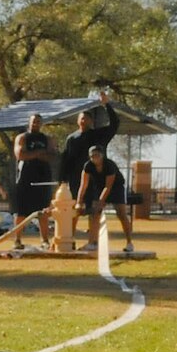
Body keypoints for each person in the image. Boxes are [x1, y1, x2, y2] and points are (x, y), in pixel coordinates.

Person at [57, 91, 120, 250]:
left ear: (91, 121)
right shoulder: (72, 138)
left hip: (96, 181)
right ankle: (69, 241)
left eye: (87, 117)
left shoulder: (99, 135)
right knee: (75, 211)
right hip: (76, 181)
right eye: (81, 117)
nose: (84, 120)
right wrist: (62, 180)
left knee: (94, 212)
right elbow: (66, 160)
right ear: (78, 121)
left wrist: (107, 104)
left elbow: (114, 124)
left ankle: (93, 242)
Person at [76, 145, 136, 254]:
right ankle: (93, 243)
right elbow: (83, 185)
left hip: (116, 188)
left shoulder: (109, 165)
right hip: (99, 187)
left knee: (121, 214)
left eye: (97, 155)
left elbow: (108, 187)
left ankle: (129, 242)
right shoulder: (88, 166)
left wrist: (100, 202)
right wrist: (79, 202)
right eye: (92, 156)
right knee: (94, 214)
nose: (95, 158)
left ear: (102, 155)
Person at [12, 112, 56, 250]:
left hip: (43, 178)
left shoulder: (46, 139)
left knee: (43, 211)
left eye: (38, 121)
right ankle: (17, 240)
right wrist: (38, 153)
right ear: (29, 122)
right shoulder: (22, 137)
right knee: (21, 212)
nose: (35, 123)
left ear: (41, 124)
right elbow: (20, 155)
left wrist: (35, 154)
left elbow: (52, 155)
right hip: (25, 179)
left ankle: (44, 240)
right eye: (33, 121)